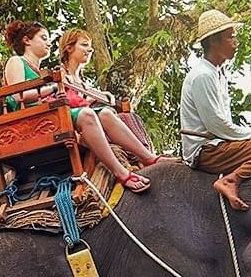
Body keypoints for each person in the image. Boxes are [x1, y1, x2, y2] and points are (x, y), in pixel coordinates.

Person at [3, 20, 151, 193]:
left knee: (104, 113)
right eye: (43, 38)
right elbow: (16, 95)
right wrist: (52, 88)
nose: (49, 42)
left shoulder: (39, 71)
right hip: (30, 123)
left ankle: (148, 157)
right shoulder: (16, 61)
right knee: (87, 115)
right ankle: (121, 173)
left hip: (46, 116)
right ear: (27, 40)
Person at [180, 9, 251, 211]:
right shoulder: (203, 76)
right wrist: (250, 134)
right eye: (231, 37)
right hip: (210, 151)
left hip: (220, 144)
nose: (236, 42)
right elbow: (216, 125)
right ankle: (231, 180)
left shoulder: (217, 73)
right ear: (214, 42)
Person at [59, 28, 170, 170]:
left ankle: (146, 155)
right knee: (106, 113)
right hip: (80, 123)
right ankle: (142, 158)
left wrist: (99, 96)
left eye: (90, 46)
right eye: (84, 45)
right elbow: (69, 101)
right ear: (69, 48)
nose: (90, 49)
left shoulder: (82, 82)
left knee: (128, 116)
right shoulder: (61, 74)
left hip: (91, 117)